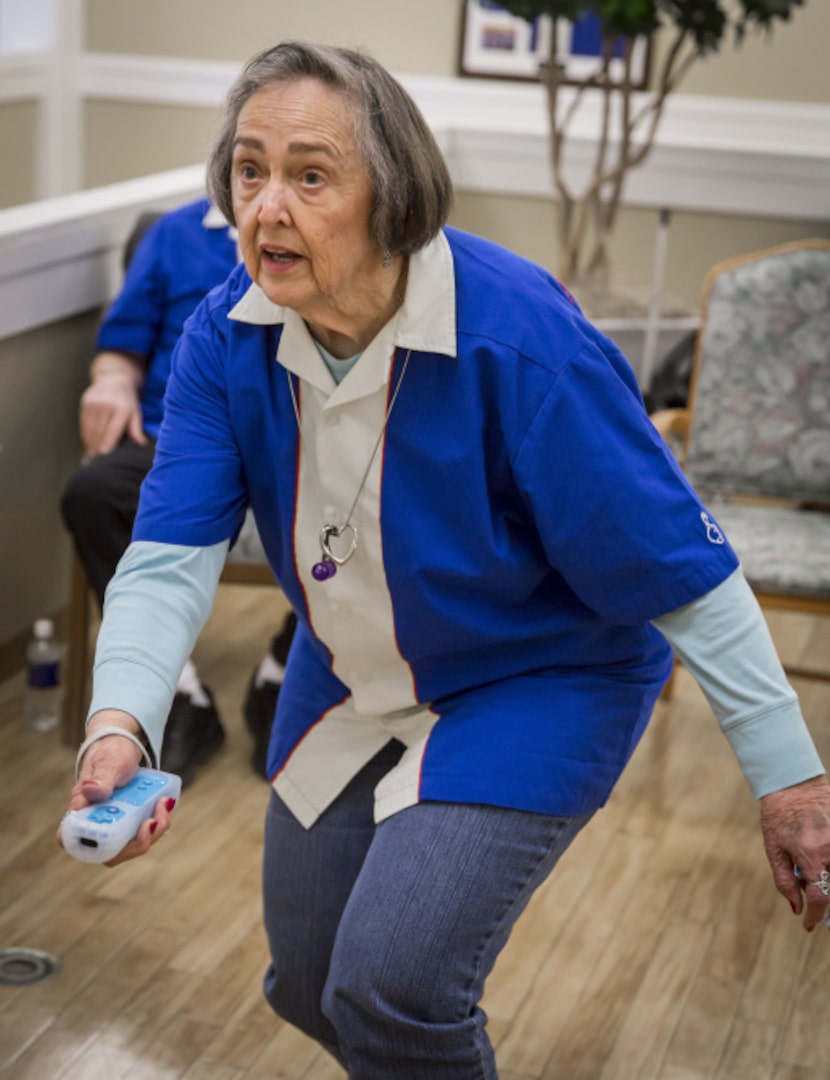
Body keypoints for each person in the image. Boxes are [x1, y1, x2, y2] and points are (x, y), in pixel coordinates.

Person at [59, 42, 830, 1079]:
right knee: (307, 982)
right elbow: (168, 557)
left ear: (392, 198)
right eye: (248, 171)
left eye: (309, 175)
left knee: (393, 984)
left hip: (536, 676)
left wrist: (788, 780)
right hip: (349, 672)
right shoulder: (223, 336)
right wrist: (119, 723)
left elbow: (681, 568)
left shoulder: (517, 338)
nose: (265, 207)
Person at [59, 196, 296, 786]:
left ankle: (284, 674)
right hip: (175, 436)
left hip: (285, 442)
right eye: (248, 163)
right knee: (91, 490)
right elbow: (123, 340)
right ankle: (180, 693)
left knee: (357, 498)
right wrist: (112, 381)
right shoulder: (172, 234)